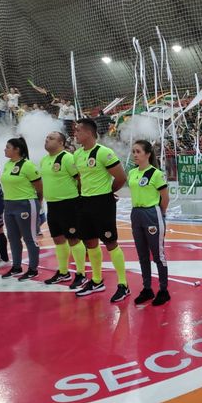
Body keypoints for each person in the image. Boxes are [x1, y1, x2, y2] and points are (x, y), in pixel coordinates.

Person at [73, 118, 130, 302]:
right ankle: (97, 280)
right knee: (90, 242)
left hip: (102, 203)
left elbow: (121, 177)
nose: (75, 133)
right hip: (85, 202)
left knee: (110, 242)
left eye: (78, 130)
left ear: (89, 133)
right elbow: (81, 179)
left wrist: (107, 193)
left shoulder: (104, 153)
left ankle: (124, 285)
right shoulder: (78, 154)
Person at [40, 132, 88, 289]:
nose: (47, 140)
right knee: (58, 239)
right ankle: (63, 272)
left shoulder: (67, 158)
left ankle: (81, 274)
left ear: (61, 142)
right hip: (52, 205)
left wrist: (80, 199)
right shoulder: (44, 160)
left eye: (51, 138)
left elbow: (79, 178)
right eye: (46, 138)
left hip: (69, 204)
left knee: (73, 238)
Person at [128, 140, 171, 306]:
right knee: (142, 255)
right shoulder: (132, 173)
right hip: (136, 214)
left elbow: (165, 197)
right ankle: (147, 288)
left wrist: (161, 212)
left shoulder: (155, 174)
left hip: (151, 213)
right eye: (133, 151)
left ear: (148, 154)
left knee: (158, 255)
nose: (135, 155)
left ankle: (163, 290)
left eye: (138, 151)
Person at [0, 137, 43, 280]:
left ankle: (33, 268)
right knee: (12, 237)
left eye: (7, 147)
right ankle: (16, 267)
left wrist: (38, 204)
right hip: (9, 205)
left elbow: (39, 187)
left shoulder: (28, 165)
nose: (4, 150)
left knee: (29, 237)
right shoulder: (7, 164)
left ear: (17, 150)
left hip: (25, 204)